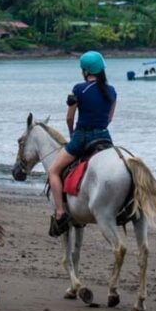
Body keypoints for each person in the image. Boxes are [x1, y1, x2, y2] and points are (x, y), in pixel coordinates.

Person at [46, 50, 116, 236]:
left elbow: (70, 118)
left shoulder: (78, 89)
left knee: (53, 170)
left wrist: (72, 133)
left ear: (85, 71)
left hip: (83, 136)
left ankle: (60, 213)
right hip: (105, 137)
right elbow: (109, 118)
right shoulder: (111, 91)